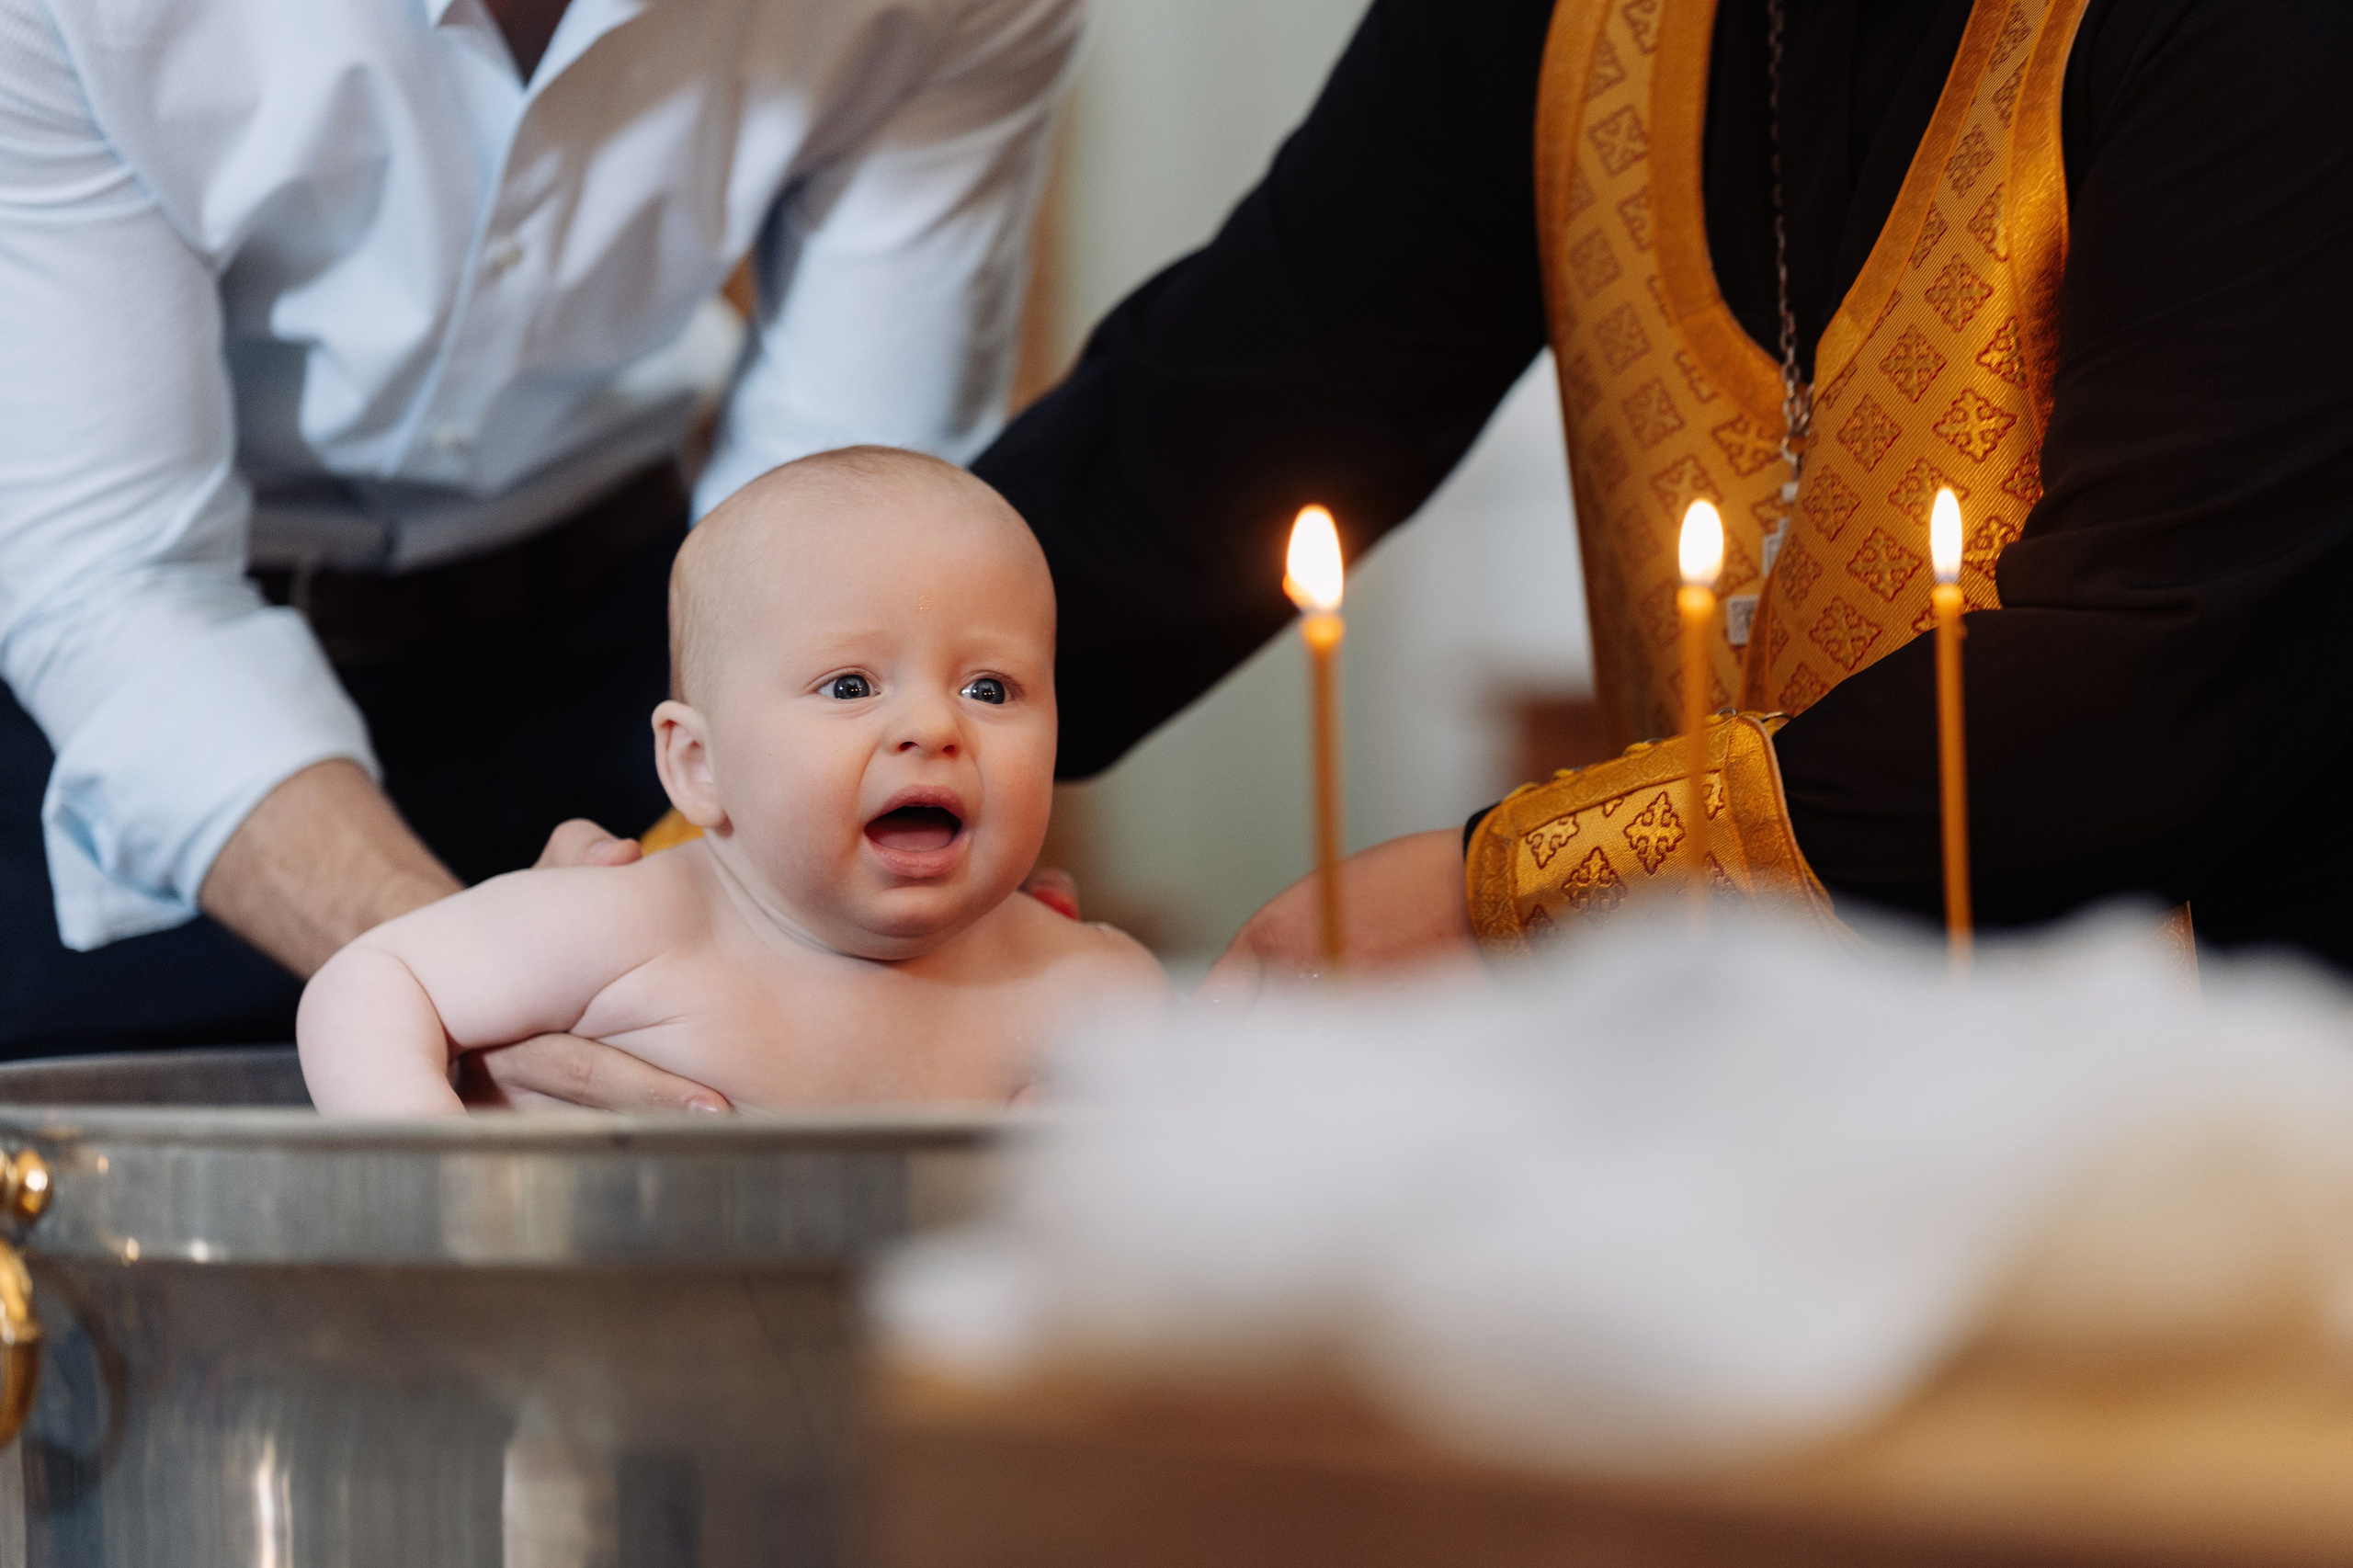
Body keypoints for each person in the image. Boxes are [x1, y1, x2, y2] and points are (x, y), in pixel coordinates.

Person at [969, 0, 2353, 985]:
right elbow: (1199, 439)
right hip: (1731, 1137)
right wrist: (801, 763)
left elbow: (2154, 677)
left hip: (2246, 1153)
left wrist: (1502, 892)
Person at [0, 0, 1077, 1073]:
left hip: (617, 624)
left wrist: (786, 921)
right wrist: (484, 979)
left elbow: (840, 552)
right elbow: (110, 572)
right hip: (123, 695)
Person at [300, 449, 1165, 1115]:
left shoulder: (1093, 984)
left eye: (989, 689)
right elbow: (374, 978)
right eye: (851, 686)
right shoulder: (632, 922)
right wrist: (425, 1163)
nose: (934, 729)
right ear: (698, 767)